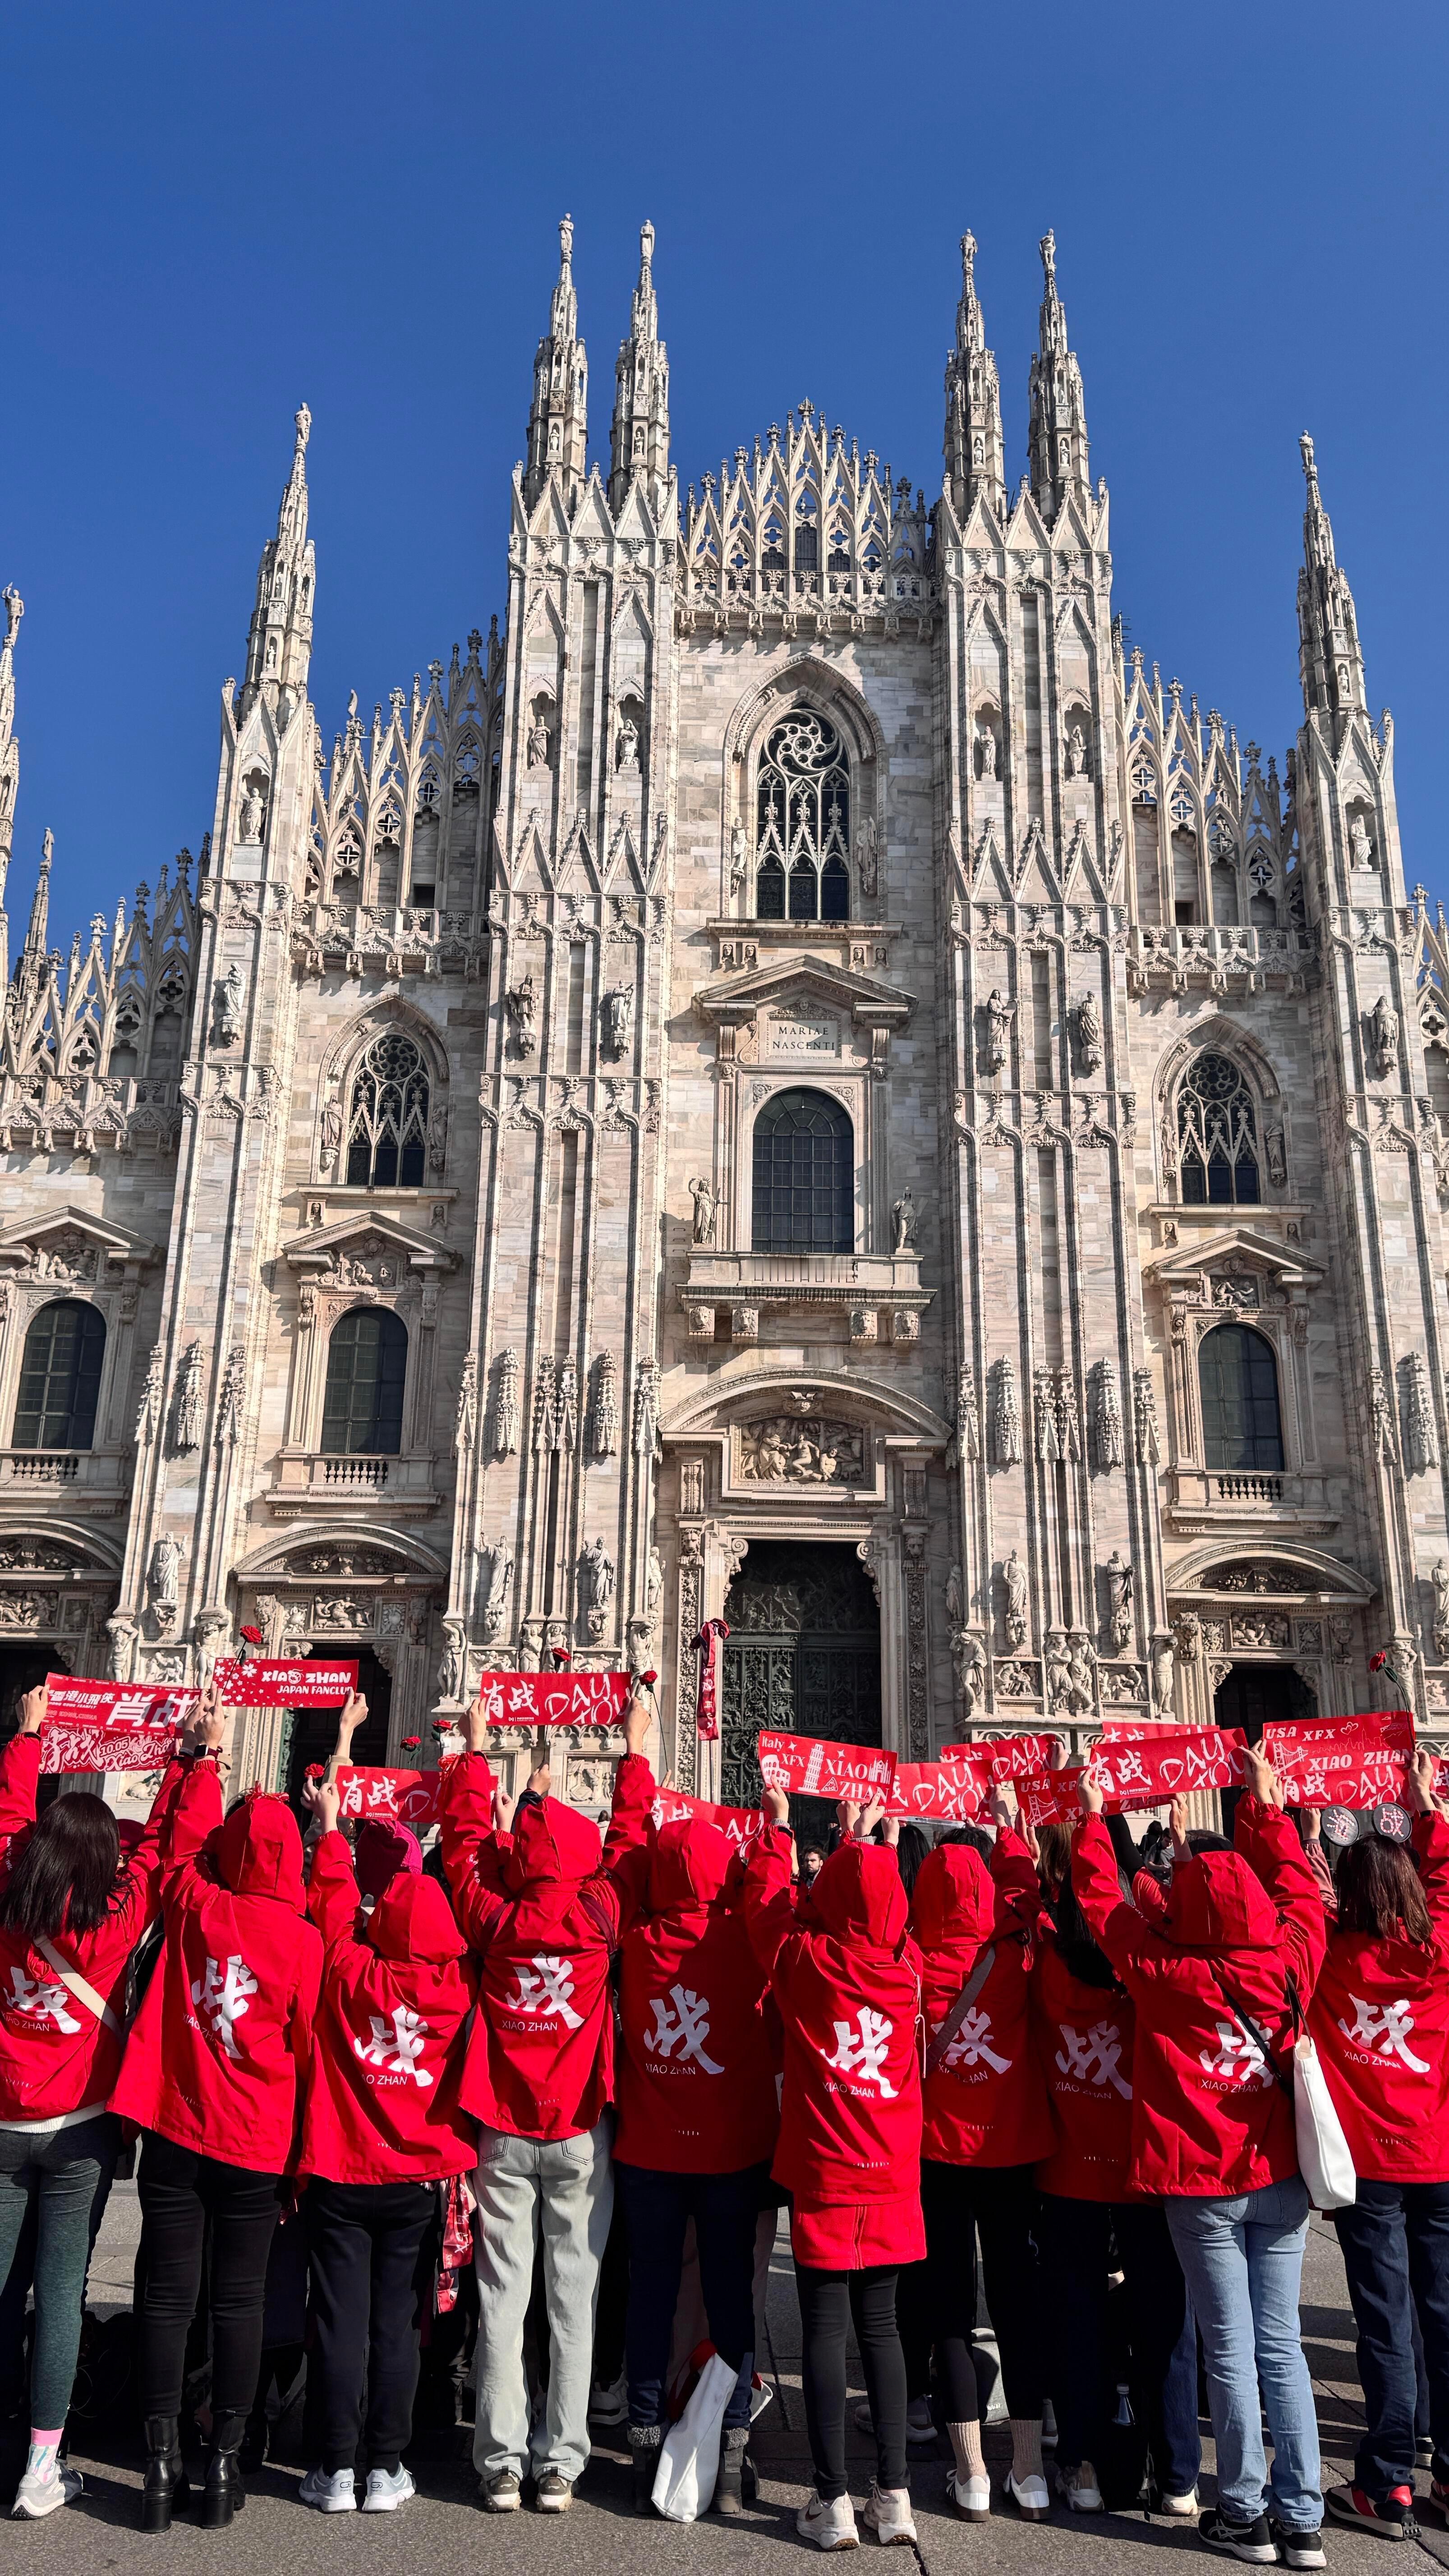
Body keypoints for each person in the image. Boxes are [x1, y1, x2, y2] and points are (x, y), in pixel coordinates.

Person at [1073, 1750, 1328, 2569]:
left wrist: (1090, 1820)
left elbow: (1106, 1904)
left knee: (1227, 2346)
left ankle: (1243, 2509)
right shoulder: (1289, 1958)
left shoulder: (1161, 1969)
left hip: (1200, 2185)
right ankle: (1302, 2519)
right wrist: (1262, 1812)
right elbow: (1293, 1893)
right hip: (1279, 2175)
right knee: (1279, 2345)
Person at [112, 1686, 325, 2531]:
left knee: (168, 2298)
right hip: (256, 2143)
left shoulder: (196, 1905)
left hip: (174, 2127)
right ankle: (226, 2469)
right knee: (238, 2303)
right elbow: (309, 2050)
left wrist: (203, 1758)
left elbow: (179, 1851)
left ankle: (159, 2469)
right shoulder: (305, 1940)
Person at [437, 1684, 652, 2513]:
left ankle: (499, 2461)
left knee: (502, 2296)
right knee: (573, 2297)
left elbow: (461, 1847)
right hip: (577, 2135)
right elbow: (630, 1845)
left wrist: (477, 1756)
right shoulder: (601, 1915)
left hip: (502, 2129)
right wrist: (632, 1750)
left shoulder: (492, 1920)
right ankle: (559, 2462)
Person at [0, 1685, 188, 2519]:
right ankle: (43, 2463)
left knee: (1, 2289)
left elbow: (8, 1824)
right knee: (61, 2290)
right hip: (78, 2126)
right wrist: (193, 1761)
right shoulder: (121, 1913)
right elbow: (163, 1852)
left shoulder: (9, 1896)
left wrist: (26, 1740)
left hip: (3, 2122)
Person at [741, 1785, 923, 2551]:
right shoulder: (909, 1972)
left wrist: (784, 1830)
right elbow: (889, 1920)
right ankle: (896, 2496)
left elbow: (766, 1913)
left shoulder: (807, 1965)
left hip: (824, 2168)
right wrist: (869, 1852)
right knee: (879, 2333)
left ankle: (831, 2499)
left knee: (823, 2332)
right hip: (890, 2170)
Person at [294, 1759, 478, 2515]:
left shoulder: (346, 1968)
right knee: (401, 2325)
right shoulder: (456, 1992)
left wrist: (331, 1830)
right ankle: (385, 2469)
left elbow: (335, 1906)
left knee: (337, 2320)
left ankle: (334, 2469)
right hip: (414, 2184)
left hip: (340, 2173)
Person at [604, 1731, 779, 2514]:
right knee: (733, 2300)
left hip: (649, 2153)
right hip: (734, 2155)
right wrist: (772, 1835)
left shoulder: (634, 1944)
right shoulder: (747, 1943)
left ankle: (644, 2443)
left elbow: (621, 1868)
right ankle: (733, 2441)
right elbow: (771, 1906)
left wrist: (636, 1767)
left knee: (648, 2295)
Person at [1032, 1828, 1201, 2516]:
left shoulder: (1040, 1961)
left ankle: (1082, 2465)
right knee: (1164, 2320)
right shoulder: (1150, 1965)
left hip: (1068, 2169)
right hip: (1144, 2171)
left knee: (1077, 2319)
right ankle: (1179, 2476)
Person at [1304, 1753, 1449, 2538]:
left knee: (1385, 2323)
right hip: (1438, 2160)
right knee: (1444, 2314)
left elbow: (1294, 1904)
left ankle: (1387, 2483)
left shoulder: (1330, 1960)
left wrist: (1272, 1821)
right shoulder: (1439, 1956)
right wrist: (1425, 1811)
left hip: (1371, 2173)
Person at [903, 1802, 1054, 2522]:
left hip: (936, 2157)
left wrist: (861, 1841)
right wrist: (1011, 1837)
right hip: (1010, 2151)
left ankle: (969, 2476)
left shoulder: (906, 1962)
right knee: (1020, 2307)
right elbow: (1028, 1900)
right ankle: (1028, 2471)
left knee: (949, 2312)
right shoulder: (1016, 1955)